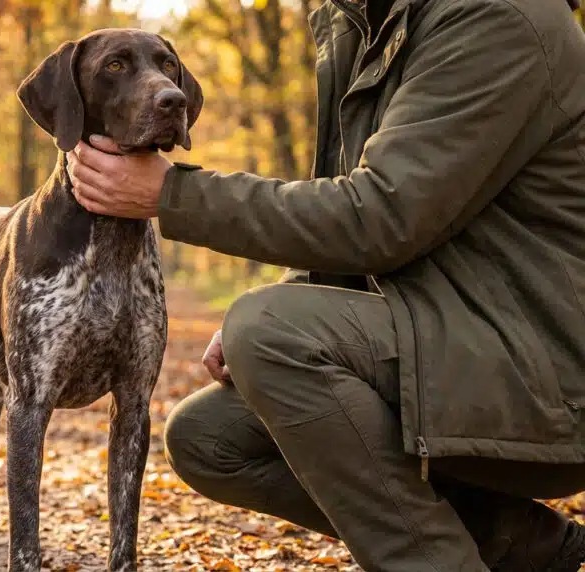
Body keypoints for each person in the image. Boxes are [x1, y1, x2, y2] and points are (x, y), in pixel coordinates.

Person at [64, 0, 585, 570]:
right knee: (208, 439)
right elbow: (352, 197)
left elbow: (383, 216)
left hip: (550, 367)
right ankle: (526, 546)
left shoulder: (497, 17)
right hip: (461, 335)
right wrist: (300, 294)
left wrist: (174, 197)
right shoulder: (356, 22)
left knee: (268, 331)